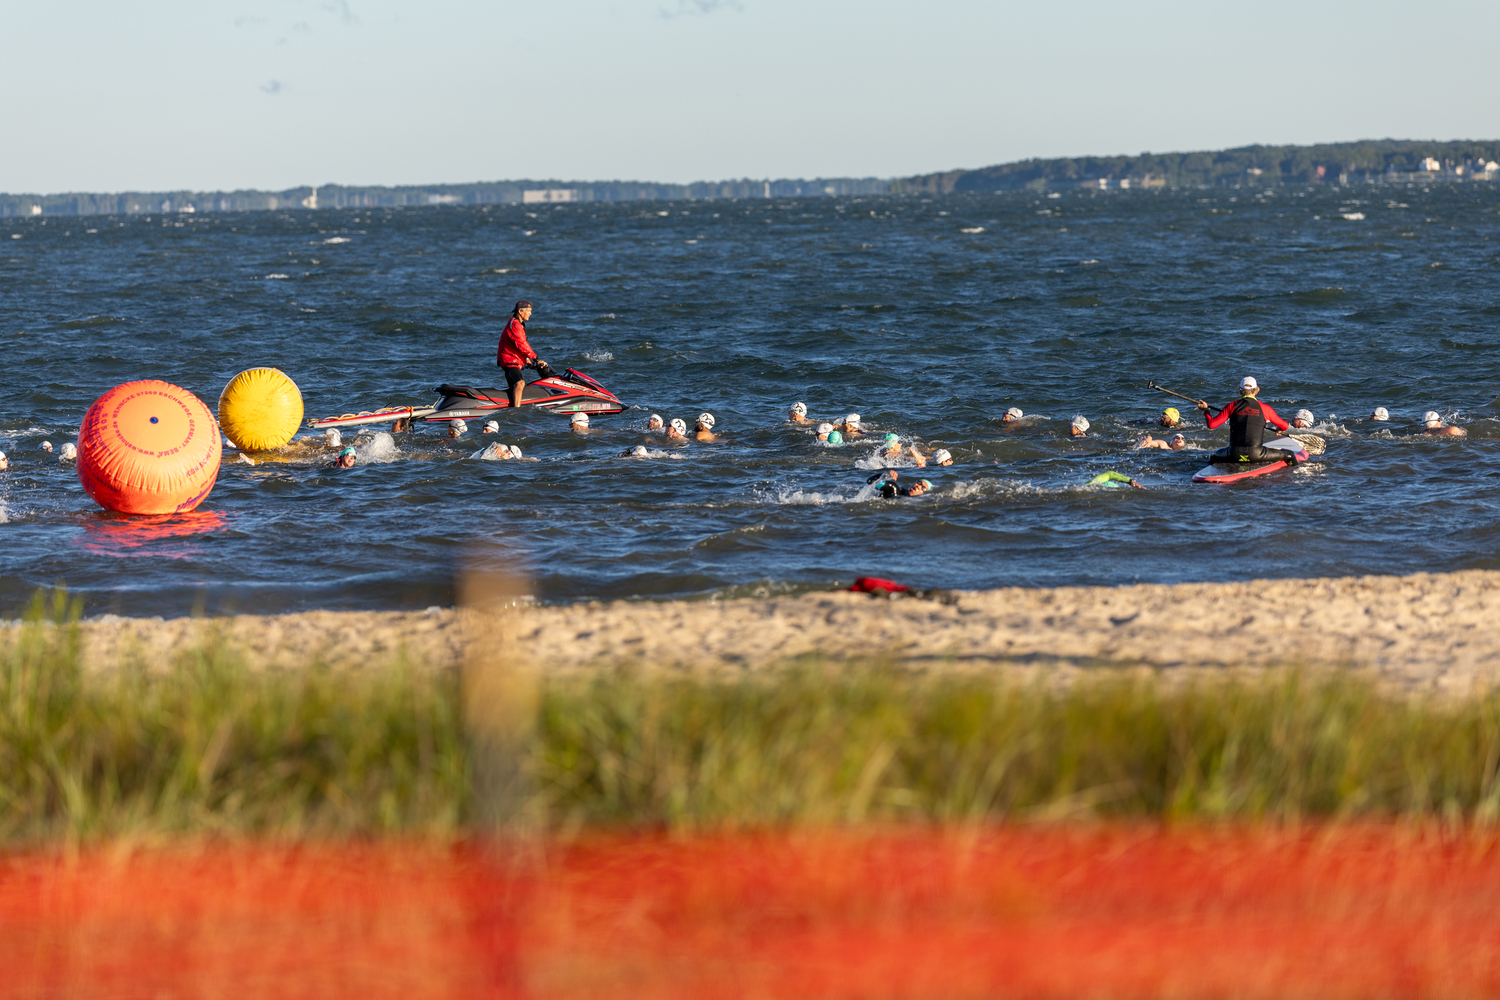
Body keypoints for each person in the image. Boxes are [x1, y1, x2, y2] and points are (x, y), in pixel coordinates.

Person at [1195, 376, 1297, 465]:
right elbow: (1285, 425)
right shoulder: (1265, 408)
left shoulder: (1231, 406)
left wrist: (1206, 411)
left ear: (1240, 391)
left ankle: (1213, 472)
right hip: (1257, 454)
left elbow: (1212, 425)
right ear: (1256, 391)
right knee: (1289, 454)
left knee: (1213, 454)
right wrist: (1279, 429)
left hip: (1233, 454)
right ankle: (1293, 475)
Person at [496, 299, 553, 408]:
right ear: (520, 311)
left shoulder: (518, 323)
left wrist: (527, 360)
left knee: (513, 386)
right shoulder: (515, 324)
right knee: (520, 383)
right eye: (529, 311)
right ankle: (517, 410)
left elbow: (516, 345)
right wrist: (536, 359)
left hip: (511, 358)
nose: (531, 313)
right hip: (509, 360)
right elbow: (521, 344)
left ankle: (510, 405)